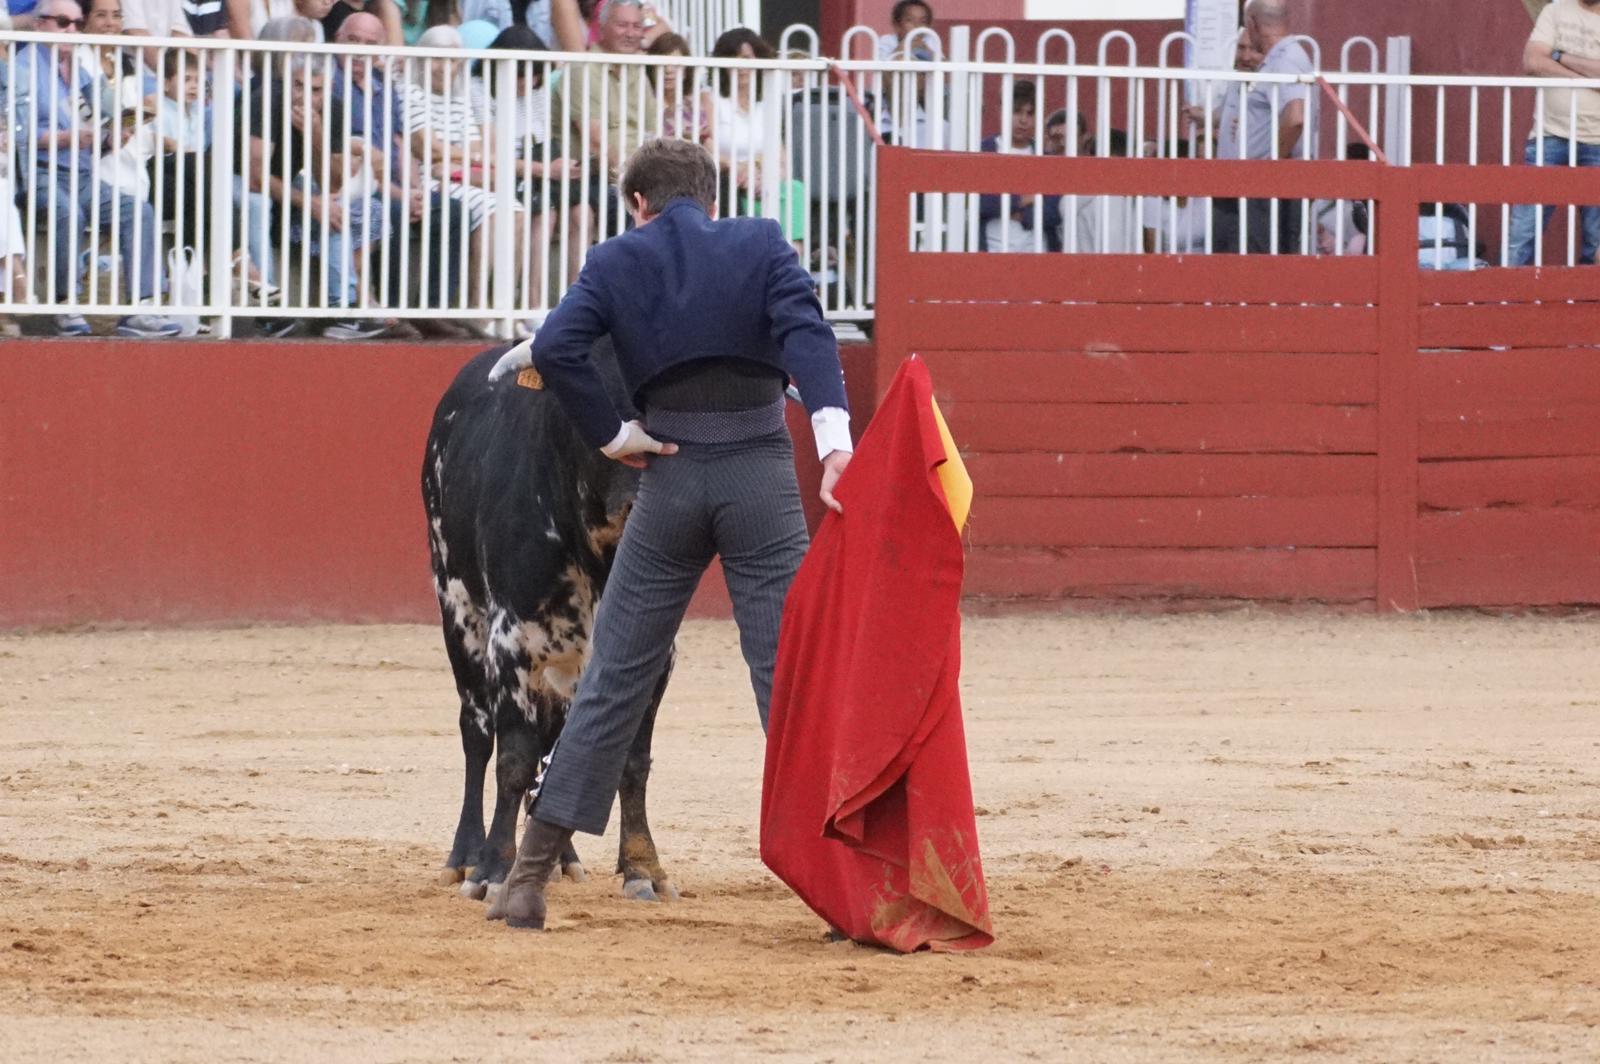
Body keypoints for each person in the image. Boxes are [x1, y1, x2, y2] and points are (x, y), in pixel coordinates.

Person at [481, 137, 852, 932]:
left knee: (613, 672)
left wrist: (616, 436)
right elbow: (809, 334)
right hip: (759, 476)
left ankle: (530, 878)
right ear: (710, 197)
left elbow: (554, 349)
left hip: (671, 479)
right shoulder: (760, 241)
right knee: (790, 676)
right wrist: (835, 444)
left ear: (638, 205)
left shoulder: (617, 257)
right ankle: (840, 882)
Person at [11, 0, 181, 337]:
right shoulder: (24, 66)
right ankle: (66, 304)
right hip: (42, 172)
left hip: (84, 174)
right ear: (40, 24)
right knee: (68, 213)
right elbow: (20, 132)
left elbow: (104, 116)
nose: (71, 30)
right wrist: (63, 138)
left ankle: (141, 307)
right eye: (62, 22)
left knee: (139, 211)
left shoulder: (80, 68)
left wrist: (114, 134)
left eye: (75, 23)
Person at [235, 19, 388, 338]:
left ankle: (341, 309)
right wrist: (311, 203)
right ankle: (268, 309)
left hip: (284, 184)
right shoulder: (269, 97)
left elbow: (333, 183)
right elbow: (253, 177)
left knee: (335, 204)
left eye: (315, 89)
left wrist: (316, 134)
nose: (305, 97)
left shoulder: (332, 108)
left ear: (328, 87)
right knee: (256, 202)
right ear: (287, 80)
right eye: (298, 86)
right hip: (233, 180)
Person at [1213, 0, 1313, 254]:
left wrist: (1269, 166)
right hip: (1257, 189)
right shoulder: (1280, 58)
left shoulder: (1285, 60)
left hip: (1269, 189)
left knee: (1257, 272)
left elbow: (1295, 118)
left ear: (1252, 24)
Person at [1508, 0, 1600, 265]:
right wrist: (1583, 80)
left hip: (1597, 140)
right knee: (1524, 229)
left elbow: (1546, 58)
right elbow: (1533, 61)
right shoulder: (1556, 10)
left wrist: (1560, 55)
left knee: (1596, 238)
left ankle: (1589, 303)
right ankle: (1508, 300)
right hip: (1550, 135)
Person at [708, 27, 806, 246]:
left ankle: (792, 261)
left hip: (763, 180)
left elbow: (782, 157)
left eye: (745, 58)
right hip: (730, 180)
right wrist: (740, 169)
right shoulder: (713, 100)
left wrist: (765, 176)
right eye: (732, 58)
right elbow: (707, 147)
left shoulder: (766, 105)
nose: (740, 66)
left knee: (795, 188)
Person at [977, 81, 1060, 253]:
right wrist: (1024, 199)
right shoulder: (983, 151)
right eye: (1016, 112)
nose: (1023, 120)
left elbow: (1053, 212)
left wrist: (1017, 213)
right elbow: (981, 202)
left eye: (1030, 113)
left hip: (1038, 250)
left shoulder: (1046, 158)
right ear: (1001, 110)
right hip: (993, 249)